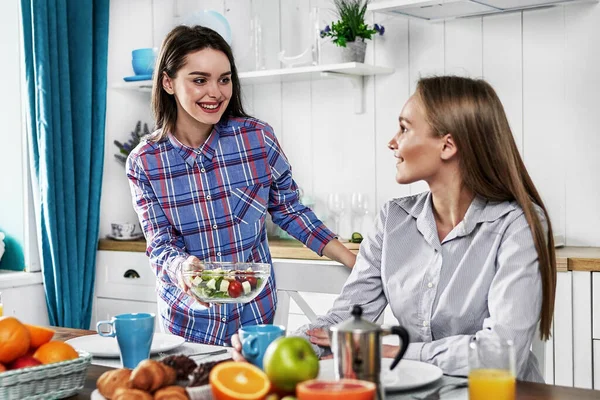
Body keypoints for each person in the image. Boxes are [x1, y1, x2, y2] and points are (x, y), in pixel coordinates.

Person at [232, 75, 556, 383]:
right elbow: (344, 320)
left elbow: (502, 355)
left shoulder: (518, 225)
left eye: (404, 128)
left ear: (448, 145)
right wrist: (276, 350)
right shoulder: (393, 220)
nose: (392, 142)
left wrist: (391, 351)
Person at [126, 25, 356, 345]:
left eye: (224, 79)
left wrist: (355, 262)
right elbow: (161, 245)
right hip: (189, 324)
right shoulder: (145, 162)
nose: (216, 92)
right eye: (199, 80)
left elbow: (290, 210)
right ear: (168, 82)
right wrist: (183, 268)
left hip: (256, 317)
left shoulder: (256, 139)